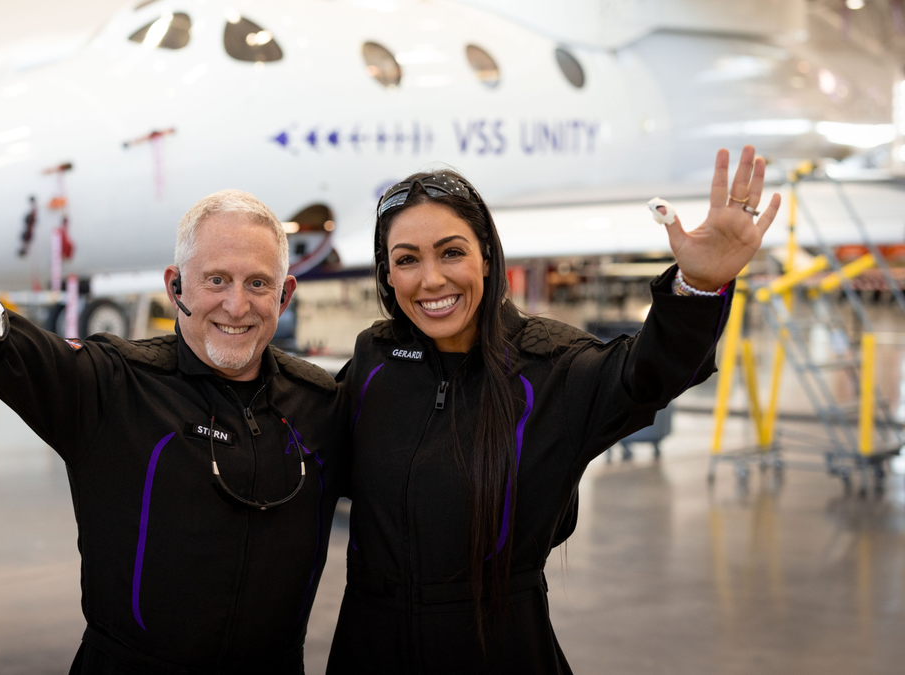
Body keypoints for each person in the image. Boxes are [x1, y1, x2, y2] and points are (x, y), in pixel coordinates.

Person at [0, 168, 348, 674]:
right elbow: (3, 338)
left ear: (285, 293)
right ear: (175, 286)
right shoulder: (111, 386)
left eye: (257, 284)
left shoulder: (320, 404)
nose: (236, 305)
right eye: (216, 281)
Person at [327, 146, 780, 673]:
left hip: (498, 646)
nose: (430, 280)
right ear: (387, 275)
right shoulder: (374, 359)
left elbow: (647, 375)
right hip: (369, 644)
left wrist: (696, 287)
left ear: (487, 258)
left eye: (451, 252)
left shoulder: (552, 366)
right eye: (407, 260)